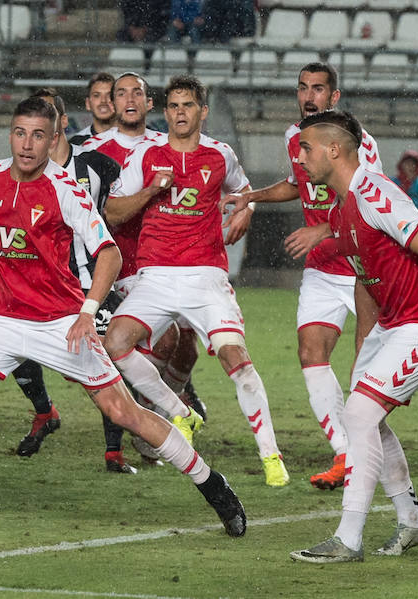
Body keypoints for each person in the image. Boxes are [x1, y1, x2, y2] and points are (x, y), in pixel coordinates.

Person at [0, 97, 246, 536]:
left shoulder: (66, 188)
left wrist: (87, 312)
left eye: (38, 135)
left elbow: (110, 254)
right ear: (11, 134)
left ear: (53, 139)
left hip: (59, 322)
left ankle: (213, 485)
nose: (27, 144)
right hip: (5, 320)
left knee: (123, 412)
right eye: (20, 133)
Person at [225, 63, 418, 489]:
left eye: (319, 89)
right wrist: (252, 196)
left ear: (335, 97)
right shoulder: (295, 139)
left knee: (397, 367)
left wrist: (322, 228)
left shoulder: (361, 145)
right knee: (311, 353)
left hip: (367, 270)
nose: (309, 96)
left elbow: (368, 202)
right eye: (303, 88)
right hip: (324, 270)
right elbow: (296, 184)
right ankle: (346, 453)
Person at [289, 110, 418, 562]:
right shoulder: (340, 208)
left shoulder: (372, 190)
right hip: (391, 325)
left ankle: (348, 539)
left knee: (361, 416)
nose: (300, 155)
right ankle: (412, 521)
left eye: (307, 147)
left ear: (334, 149)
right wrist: (363, 349)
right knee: (362, 416)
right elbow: (364, 282)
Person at [103, 75, 290, 487]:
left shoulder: (220, 155)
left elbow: (244, 192)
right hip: (153, 276)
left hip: (205, 276)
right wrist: (152, 190)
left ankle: (270, 454)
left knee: (234, 358)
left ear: (202, 112)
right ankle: (180, 411)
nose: (179, 113)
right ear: (164, 111)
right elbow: (113, 212)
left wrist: (244, 213)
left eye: (187, 105)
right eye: (172, 106)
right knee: (114, 344)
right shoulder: (146, 155)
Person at [7, 88, 133, 473]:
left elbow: (123, 210)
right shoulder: (16, 171)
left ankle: (115, 450)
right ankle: (44, 411)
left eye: (48, 115)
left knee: (110, 357)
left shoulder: (98, 164)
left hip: (88, 283)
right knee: (15, 348)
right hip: (41, 285)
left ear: (62, 123)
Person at [82, 72, 211, 443]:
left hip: (171, 259)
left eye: (137, 92)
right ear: (113, 102)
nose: (129, 99)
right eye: (120, 94)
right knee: (164, 340)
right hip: (125, 262)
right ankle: (153, 420)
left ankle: (160, 408)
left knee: (188, 350)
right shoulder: (94, 150)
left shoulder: (165, 144)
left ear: (149, 103)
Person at [117, 0, 170, 73]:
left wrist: (145, 28)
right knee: (121, 35)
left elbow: (159, 14)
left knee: (150, 41)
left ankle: (147, 67)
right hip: (133, 27)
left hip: (153, 27)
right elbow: (127, 11)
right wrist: (131, 26)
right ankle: (123, 69)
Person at [68, 72, 116, 146]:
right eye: (96, 95)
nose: (103, 100)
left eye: (109, 95)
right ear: (88, 104)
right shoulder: (75, 144)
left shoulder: (133, 139)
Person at [392, 150, 418, 218]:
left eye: (412, 164)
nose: (410, 166)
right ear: (402, 165)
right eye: (407, 163)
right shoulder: (393, 182)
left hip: (415, 221)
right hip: (395, 220)